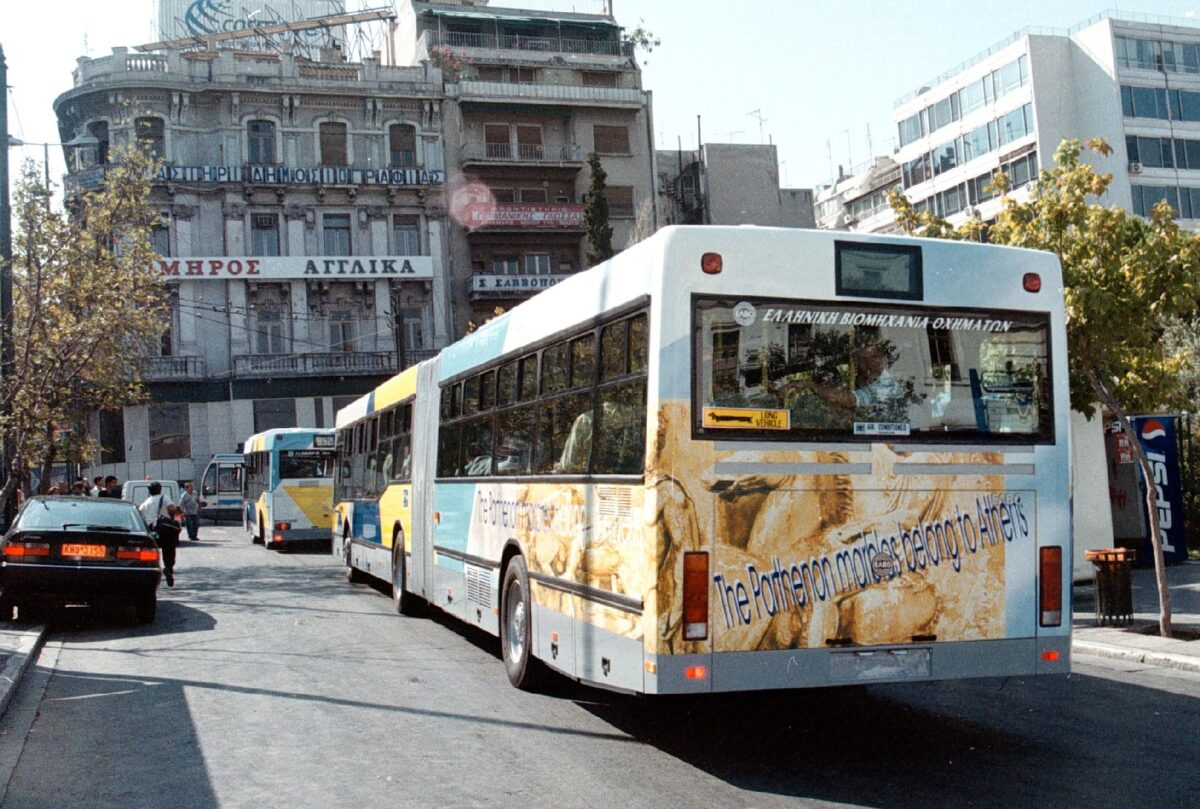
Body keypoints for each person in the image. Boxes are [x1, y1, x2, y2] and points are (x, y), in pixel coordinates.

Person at [140, 482, 180, 587]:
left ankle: (150, 569)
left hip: (152, 531)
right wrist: (172, 518)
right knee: (169, 549)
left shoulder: (145, 503)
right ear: (160, 489)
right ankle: (168, 568)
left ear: (149, 491)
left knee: (152, 551)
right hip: (165, 529)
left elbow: (140, 516)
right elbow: (171, 509)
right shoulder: (164, 497)